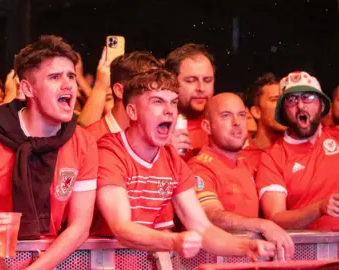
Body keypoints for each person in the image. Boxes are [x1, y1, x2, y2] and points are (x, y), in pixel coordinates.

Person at [92, 68, 275, 260]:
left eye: (173, 102)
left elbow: (203, 228)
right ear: (132, 111)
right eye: (158, 102)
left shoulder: (171, 158)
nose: (169, 110)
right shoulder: (110, 151)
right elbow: (121, 227)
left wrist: (246, 247)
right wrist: (173, 241)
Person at [0, 35, 98, 270]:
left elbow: (80, 226)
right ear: (27, 88)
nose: (68, 84)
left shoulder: (83, 141)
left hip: (51, 259)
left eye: (70, 76)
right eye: (55, 77)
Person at [256, 70, 339, 230]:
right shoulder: (272, 156)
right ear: (283, 111)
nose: (300, 105)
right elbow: (276, 219)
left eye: (307, 97)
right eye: (291, 99)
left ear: (322, 105)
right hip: (304, 252)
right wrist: (319, 208)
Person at [188, 93, 294, 260]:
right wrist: (263, 225)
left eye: (242, 115)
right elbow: (210, 215)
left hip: (247, 261)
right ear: (207, 127)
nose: (237, 122)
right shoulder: (200, 167)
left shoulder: (246, 164)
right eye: (226, 115)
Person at [86, 51, 162, 140]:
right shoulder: (90, 139)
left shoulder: (157, 138)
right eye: (146, 86)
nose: (157, 96)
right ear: (119, 91)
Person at [165, 43, 215, 159]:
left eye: (207, 80)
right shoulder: (153, 126)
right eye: (191, 80)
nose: (201, 88)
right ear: (171, 82)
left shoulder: (227, 124)